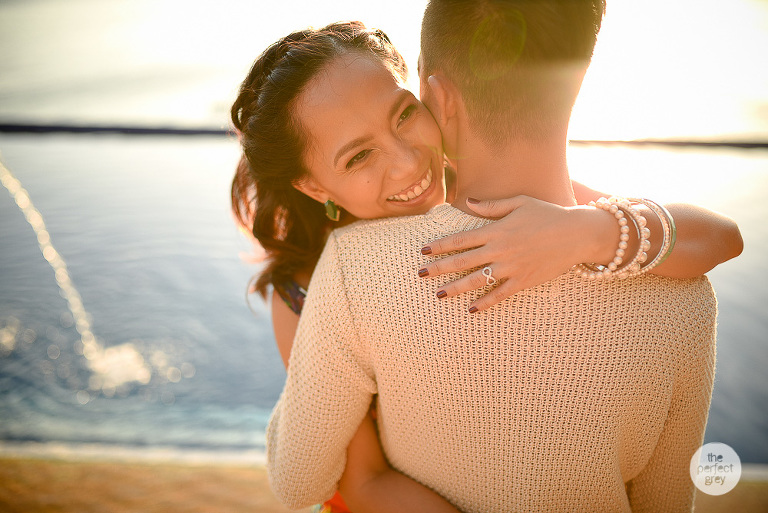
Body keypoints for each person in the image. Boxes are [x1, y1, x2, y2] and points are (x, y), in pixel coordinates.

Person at [233, 10, 742, 513]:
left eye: (404, 114)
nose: (409, 162)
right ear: (314, 186)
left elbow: (718, 237)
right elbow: (361, 482)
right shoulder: (313, 281)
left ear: (432, 99)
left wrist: (587, 232)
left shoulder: (524, 217)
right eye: (358, 156)